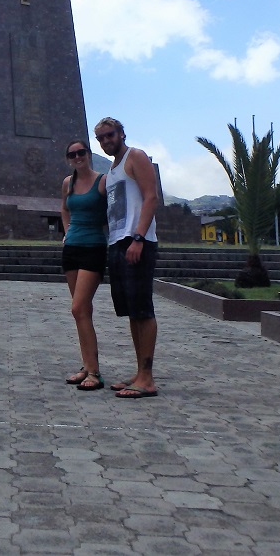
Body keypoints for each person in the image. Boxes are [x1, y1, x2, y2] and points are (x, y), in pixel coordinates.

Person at [95, 117, 160, 399]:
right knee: (132, 310)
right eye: (101, 138)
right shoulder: (110, 170)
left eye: (110, 135)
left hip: (136, 243)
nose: (106, 141)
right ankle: (139, 372)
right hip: (117, 243)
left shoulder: (136, 156)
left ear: (122, 133)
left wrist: (139, 237)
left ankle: (147, 378)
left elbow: (151, 197)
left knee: (143, 309)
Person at [60, 139, 109, 392]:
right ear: (68, 159)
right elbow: (64, 210)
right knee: (83, 312)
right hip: (72, 249)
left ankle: (95, 372)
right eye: (72, 154)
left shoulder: (103, 181)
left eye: (81, 152)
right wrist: (68, 233)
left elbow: (115, 211)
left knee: (78, 308)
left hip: (93, 248)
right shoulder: (68, 183)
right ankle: (87, 365)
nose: (77, 157)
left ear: (89, 154)